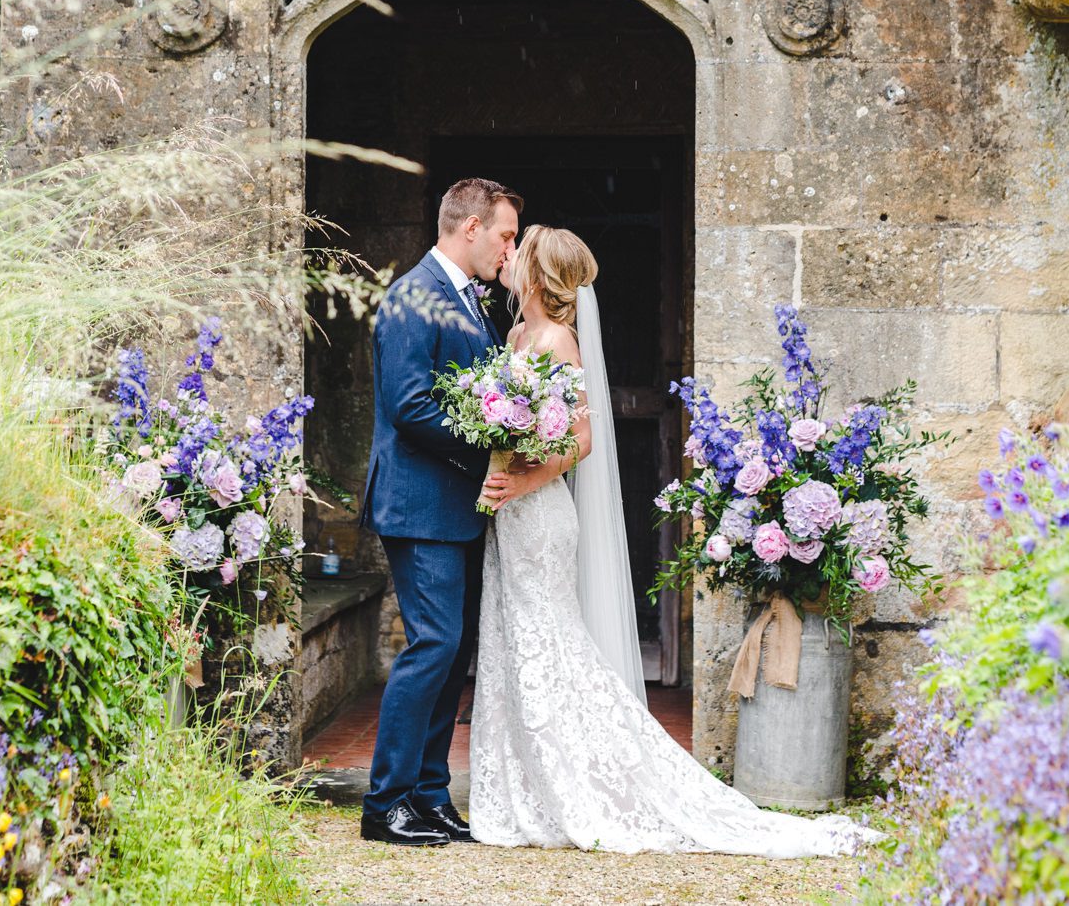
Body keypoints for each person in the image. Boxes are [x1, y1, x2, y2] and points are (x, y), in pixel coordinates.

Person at [468, 225, 880, 857]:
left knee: (551, 640)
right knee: (512, 638)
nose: (511, 254)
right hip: (511, 515)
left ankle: (585, 783)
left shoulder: (560, 341)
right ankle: (528, 785)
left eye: (520, 252)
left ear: (538, 275)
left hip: (541, 513)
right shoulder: (516, 336)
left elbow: (580, 441)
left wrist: (521, 482)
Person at [357, 177, 521, 846]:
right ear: (471, 226)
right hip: (421, 502)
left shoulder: (471, 301)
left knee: (453, 654)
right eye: (507, 234)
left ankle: (428, 794)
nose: (510, 250)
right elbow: (410, 406)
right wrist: (488, 453)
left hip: (454, 507)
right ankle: (384, 801)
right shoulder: (411, 295)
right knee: (433, 646)